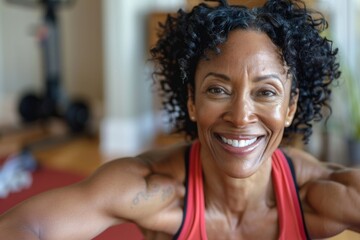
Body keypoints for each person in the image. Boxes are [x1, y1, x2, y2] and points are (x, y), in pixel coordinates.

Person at [0, 0, 359, 239]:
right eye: (218, 90)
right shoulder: (157, 190)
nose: (240, 116)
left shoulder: (318, 195)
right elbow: (23, 225)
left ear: (291, 106)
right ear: (191, 101)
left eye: (265, 92)